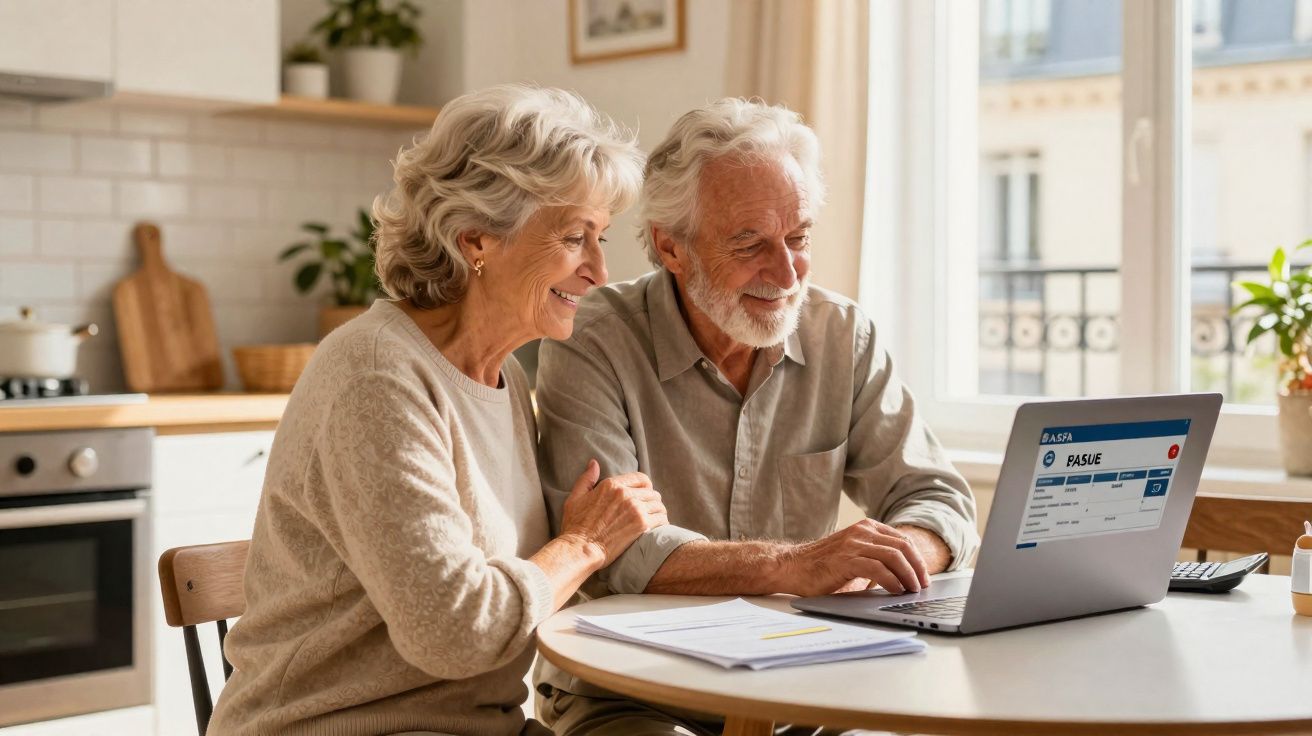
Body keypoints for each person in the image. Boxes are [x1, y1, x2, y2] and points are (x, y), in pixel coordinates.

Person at [207, 84, 665, 736]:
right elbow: (456, 633)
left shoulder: (504, 377)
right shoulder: (376, 377)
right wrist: (584, 544)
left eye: (601, 238)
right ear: (476, 240)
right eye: (574, 237)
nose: (598, 270)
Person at [533, 98, 980, 735]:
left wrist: (894, 555)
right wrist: (799, 564)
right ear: (670, 247)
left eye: (799, 239)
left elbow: (938, 499)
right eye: (750, 244)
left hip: (806, 691)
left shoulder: (841, 334)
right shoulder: (592, 339)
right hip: (631, 690)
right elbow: (615, 549)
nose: (787, 272)